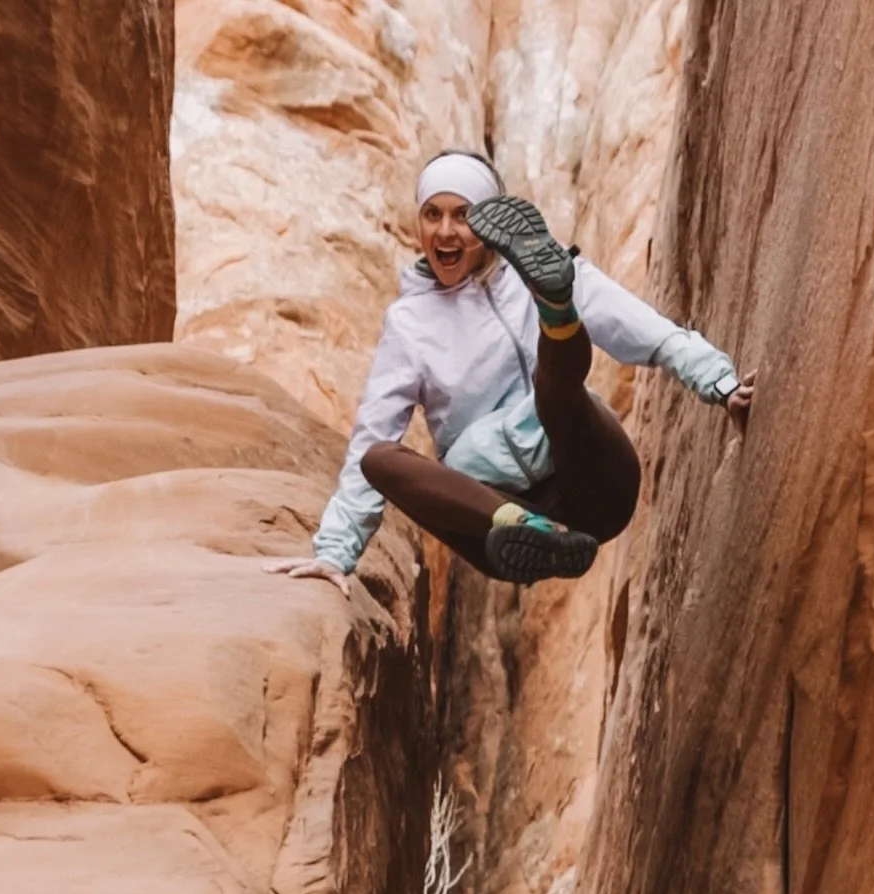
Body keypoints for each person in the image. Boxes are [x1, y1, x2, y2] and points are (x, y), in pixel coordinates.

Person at [269, 149, 754, 590]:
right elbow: (369, 437)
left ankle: (557, 310)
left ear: (488, 225)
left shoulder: (536, 272)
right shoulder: (409, 323)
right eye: (432, 214)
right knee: (380, 459)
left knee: (556, 391)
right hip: (502, 518)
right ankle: (524, 526)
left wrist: (720, 382)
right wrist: (334, 553)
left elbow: (647, 330)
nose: (444, 231)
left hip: (597, 480)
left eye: (463, 215)